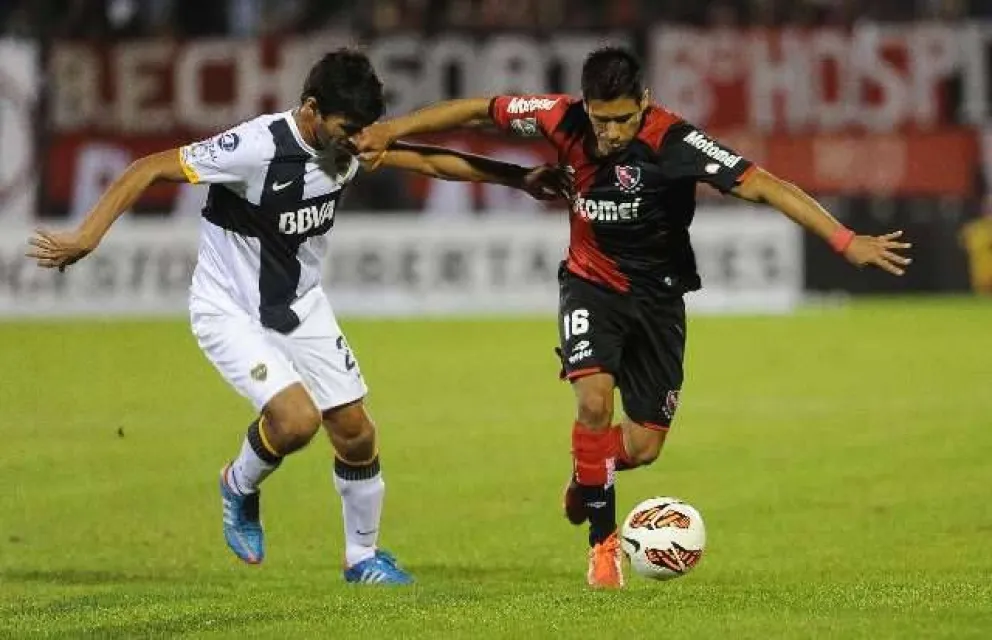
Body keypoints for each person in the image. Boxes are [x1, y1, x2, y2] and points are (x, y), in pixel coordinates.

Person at [353, 46, 913, 588]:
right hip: (590, 286)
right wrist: (390, 130)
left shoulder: (674, 141)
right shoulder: (560, 118)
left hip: (659, 301)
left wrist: (845, 241)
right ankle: (603, 546)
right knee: (594, 403)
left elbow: (765, 185)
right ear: (585, 106)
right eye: (602, 120)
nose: (612, 132)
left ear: (643, 102)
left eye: (623, 119)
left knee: (644, 447)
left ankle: (588, 471)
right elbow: (480, 110)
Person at [26, 48, 566, 585]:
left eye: (364, 129)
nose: (359, 141)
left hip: (301, 305)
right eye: (347, 128)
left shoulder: (349, 143)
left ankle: (361, 559)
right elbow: (148, 168)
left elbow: (427, 161)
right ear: (311, 109)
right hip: (230, 310)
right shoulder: (256, 147)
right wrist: (86, 236)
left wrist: (519, 178)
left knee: (356, 432)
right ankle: (238, 484)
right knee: (296, 421)